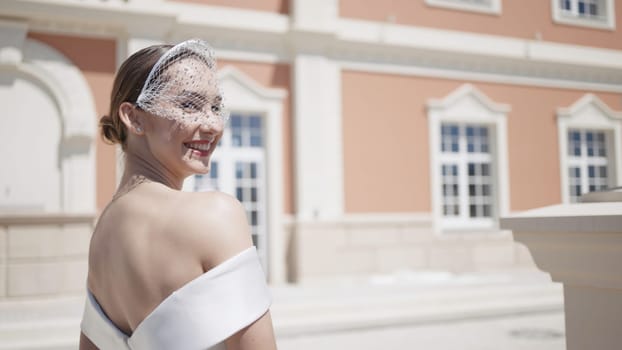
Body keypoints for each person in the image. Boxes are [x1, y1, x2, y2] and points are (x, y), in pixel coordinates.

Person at [79, 39, 277, 350]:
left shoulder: (102, 234)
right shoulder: (216, 214)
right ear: (134, 118)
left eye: (214, 106)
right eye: (188, 105)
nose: (212, 124)